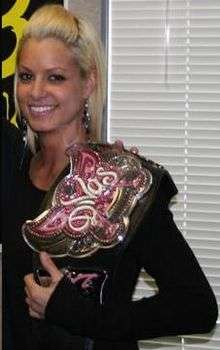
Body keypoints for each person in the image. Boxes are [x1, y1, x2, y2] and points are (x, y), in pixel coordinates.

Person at [7, 3, 218, 350]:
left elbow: (196, 306)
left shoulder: (120, 184)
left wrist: (80, 314)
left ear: (88, 82)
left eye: (55, 77)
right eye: (27, 76)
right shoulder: (13, 168)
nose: (36, 91)